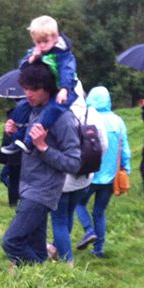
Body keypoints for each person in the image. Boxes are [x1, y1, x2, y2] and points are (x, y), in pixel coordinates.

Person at [1, 62, 82, 265]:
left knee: (11, 242)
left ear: (48, 88)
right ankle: (41, 287)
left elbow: (74, 163)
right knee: (37, 249)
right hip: (27, 187)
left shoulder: (62, 117)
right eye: (26, 88)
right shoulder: (33, 110)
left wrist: (44, 147)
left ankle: (37, 275)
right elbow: (24, 149)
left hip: (43, 192)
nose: (28, 94)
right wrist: (12, 133)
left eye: (34, 89)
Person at [1, 15, 78, 155]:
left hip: (64, 90)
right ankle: (17, 140)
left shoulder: (63, 54)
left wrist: (65, 89)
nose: (42, 45)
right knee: (21, 106)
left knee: (51, 110)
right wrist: (32, 58)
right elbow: (23, 70)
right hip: (46, 88)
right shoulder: (37, 51)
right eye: (38, 42)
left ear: (55, 38)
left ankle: (29, 143)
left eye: (45, 41)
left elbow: (67, 72)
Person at [75, 86, 131, 258]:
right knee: (99, 212)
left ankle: (88, 230)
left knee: (78, 203)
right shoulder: (118, 121)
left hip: (90, 174)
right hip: (110, 177)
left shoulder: (88, 118)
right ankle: (98, 249)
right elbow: (125, 149)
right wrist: (125, 168)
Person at [50, 102, 106, 263]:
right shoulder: (92, 112)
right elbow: (104, 144)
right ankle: (56, 250)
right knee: (68, 215)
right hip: (84, 178)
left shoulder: (58, 113)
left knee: (59, 220)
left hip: (62, 178)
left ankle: (68, 262)